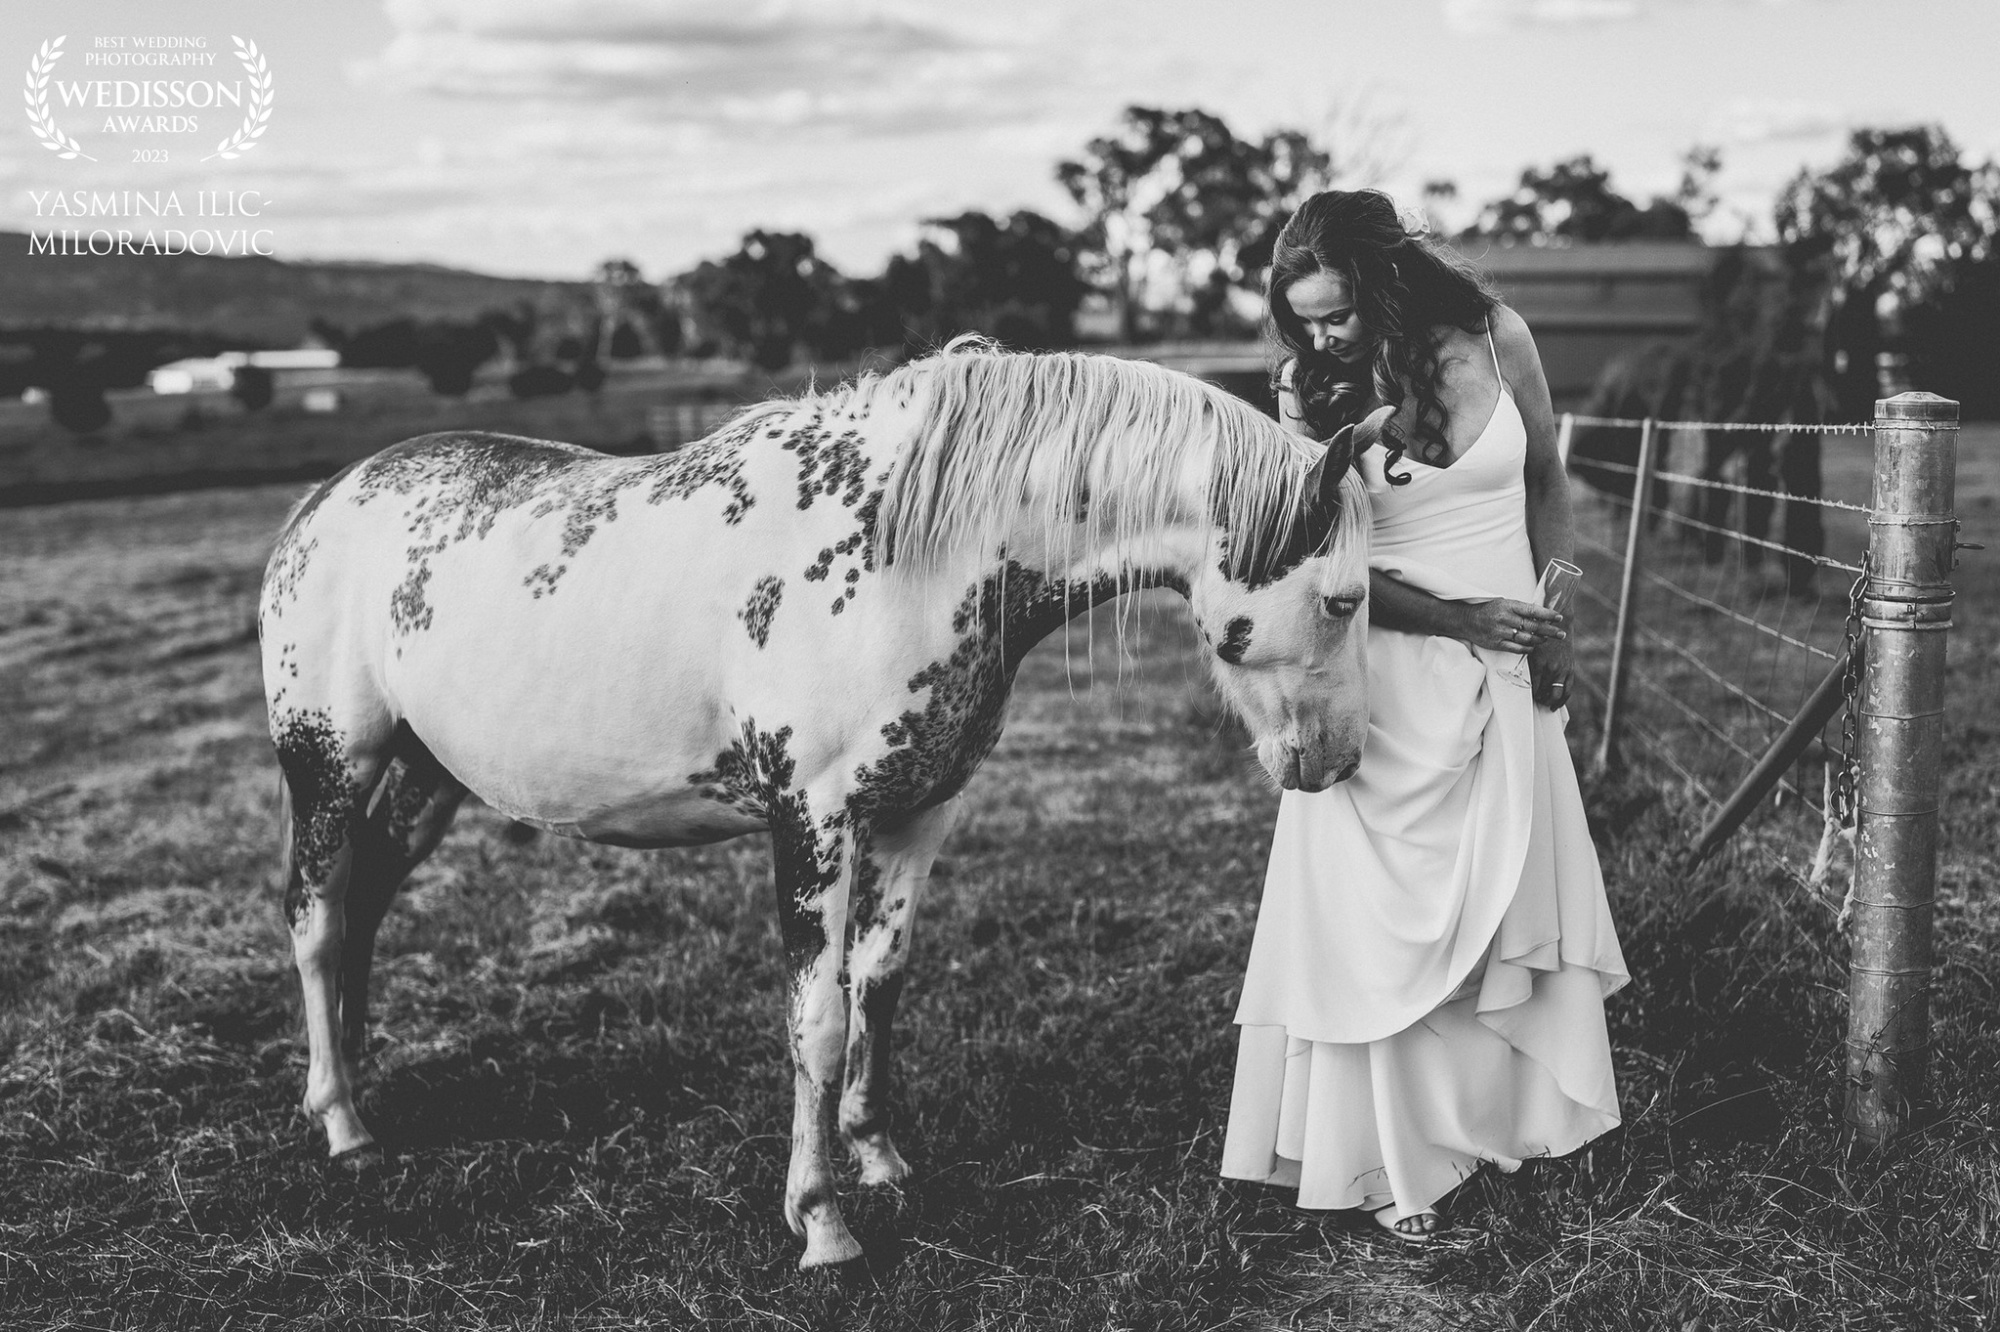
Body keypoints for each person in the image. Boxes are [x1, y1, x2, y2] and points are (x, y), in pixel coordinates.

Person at [1219, 190, 1629, 1243]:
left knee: (1500, 909)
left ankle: (1509, 1127)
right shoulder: (1306, 392)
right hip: (1387, 679)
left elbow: (1543, 477)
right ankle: (1399, 1161)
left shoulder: (1497, 340)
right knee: (1383, 929)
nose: (1315, 334)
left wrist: (1555, 607)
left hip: (1507, 666)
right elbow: (1310, 561)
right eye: (1300, 317)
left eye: (1335, 313)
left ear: (1385, 281)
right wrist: (1457, 617)